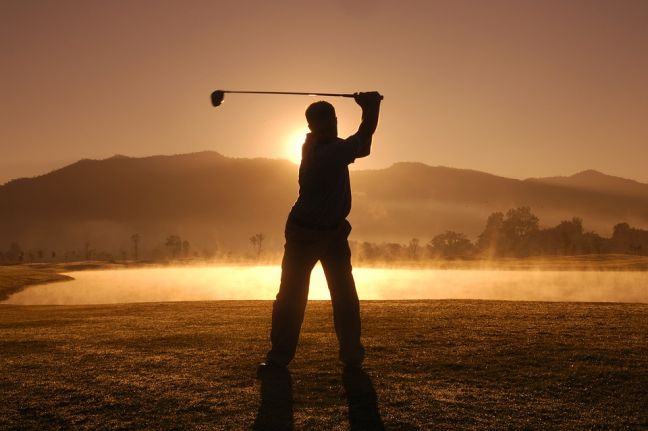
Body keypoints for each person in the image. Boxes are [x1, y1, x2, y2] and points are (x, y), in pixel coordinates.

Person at [257, 91, 382, 377]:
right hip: (304, 233)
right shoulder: (323, 153)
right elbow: (362, 141)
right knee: (291, 296)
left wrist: (369, 110)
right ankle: (278, 359)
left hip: (334, 232)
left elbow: (362, 148)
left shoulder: (326, 146)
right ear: (313, 127)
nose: (329, 128)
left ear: (335, 121)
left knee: (345, 296)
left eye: (332, 123)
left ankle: (352, 358)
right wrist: (371, 107)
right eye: (323, 125)